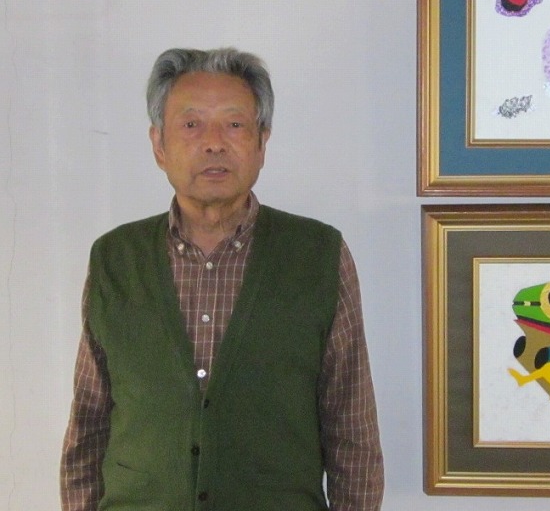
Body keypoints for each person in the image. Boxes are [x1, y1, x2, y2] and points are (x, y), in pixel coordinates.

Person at [60, 47, 384, 510]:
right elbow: (88, 427)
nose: (214, 143)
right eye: (191, 124)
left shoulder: (318, 255)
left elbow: (352, 432)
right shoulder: (114, 258)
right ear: (159, 145)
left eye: (234, 124)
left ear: (261, 143)